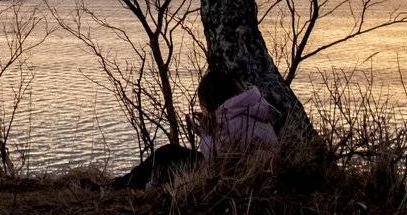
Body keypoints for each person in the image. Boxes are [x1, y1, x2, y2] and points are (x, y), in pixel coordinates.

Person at [113, 68, 281, 189]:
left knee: (168, 153)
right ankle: (133, 183)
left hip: (234, 178)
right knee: (170, 155)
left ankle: (124, 185)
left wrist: (207, 132)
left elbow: (215, 159)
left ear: (211, 102)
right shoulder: (251, 110)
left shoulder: (231, 119)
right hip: (249, 172)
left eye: (203, 106)